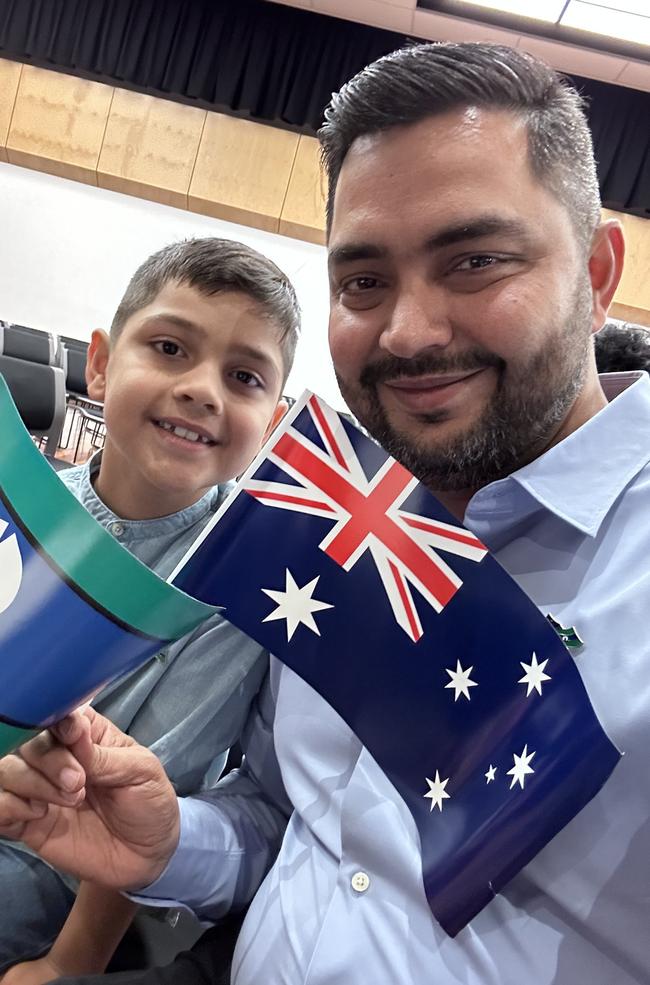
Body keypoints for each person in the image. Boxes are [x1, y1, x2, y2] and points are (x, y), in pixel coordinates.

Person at [1, 41, 649, 985]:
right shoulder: (319, 526)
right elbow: (277, 814)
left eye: (475, 260)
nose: (410, 331)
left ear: (595, 276)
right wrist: (171, 839)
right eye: (363, 282)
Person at [0, 237, 298, 980]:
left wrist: (70, 962)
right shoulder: (29, 506)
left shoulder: (233, 589)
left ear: (275, 417)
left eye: (245, 376)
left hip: (47, 866)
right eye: (169, 347)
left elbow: (148, 807)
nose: (203, 389)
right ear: (99, 364)